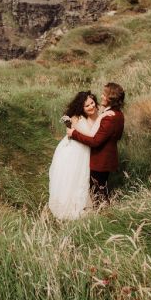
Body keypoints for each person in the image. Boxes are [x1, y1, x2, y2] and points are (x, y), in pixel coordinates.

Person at [48, 91, 114, 220]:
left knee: (86, 177)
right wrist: (101, 117)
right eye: (87, 106)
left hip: (88, 149)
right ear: (81, 108)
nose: (91, 107)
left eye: (92, 103)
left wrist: (104, 114)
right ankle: (71, 207)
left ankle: (92, 203)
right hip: (76, 150)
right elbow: (90, 136)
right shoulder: (77, 118)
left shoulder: (99, 110)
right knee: (74, 177)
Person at [67, 83, 125, 204]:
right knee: (99, 189)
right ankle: (101, 212)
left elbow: (95, 141)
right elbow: (118, 136)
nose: (102, 96)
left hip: (100, 161)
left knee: (98, 192)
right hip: (105, 159)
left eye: (105, 95)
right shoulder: (117, 114)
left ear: (111, 98)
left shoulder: (109, 117)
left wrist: (73, 134)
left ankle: (103, 214)